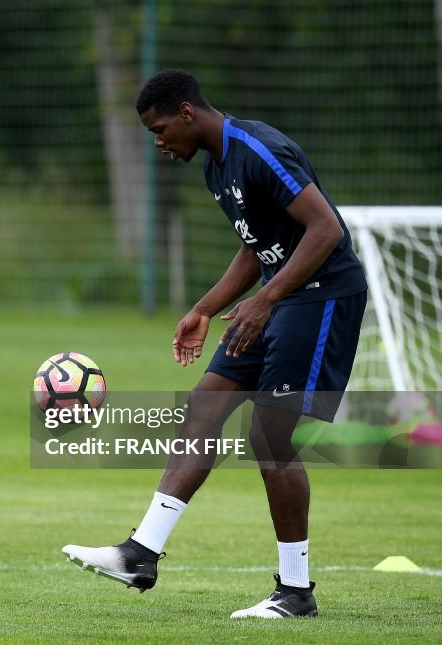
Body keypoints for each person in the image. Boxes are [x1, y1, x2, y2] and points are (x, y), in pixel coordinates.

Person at [62, 69, 367, 619]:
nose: (159, 143)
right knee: (204, 409)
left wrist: (265, 301)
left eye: (160, 129)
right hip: (279, 298)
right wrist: (204, 307)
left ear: (186, 112)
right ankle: (140, 553)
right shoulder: (215, 167)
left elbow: (326, 231)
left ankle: (295, 592)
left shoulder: (258, 150)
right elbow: (255, 249)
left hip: (322, 298)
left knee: (271, 440)